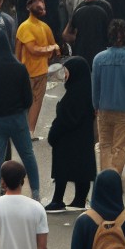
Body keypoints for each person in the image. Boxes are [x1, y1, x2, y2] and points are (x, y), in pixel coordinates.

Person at [0, 34, 42, 201]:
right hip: (18, 118)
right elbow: (28, 98)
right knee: (27, 155)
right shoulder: (20, 68)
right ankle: (35, 192)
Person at [90, 19, 125, 176]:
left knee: (105, 145)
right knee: (120, 147)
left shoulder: (99, 59)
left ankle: (105, 178)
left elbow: (95, 87)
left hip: (104, 108)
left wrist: (96, 106)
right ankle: (114, 177)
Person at [45, 56, 97, 213]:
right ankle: (79, 199)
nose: (65, 75)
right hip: (82, 140)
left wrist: (53, 134)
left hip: (67, 140)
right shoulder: (86, 91)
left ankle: (58, 200)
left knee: (62, 170)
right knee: (82, 169)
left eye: (66, 71)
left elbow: (65, 119)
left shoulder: (75, 94)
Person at [16, 0, 59, 136]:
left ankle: (22, 130)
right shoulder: (44, 27)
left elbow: (18, 51)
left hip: (25, 71)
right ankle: (30, 131)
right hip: (40, 71)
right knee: (36, 102)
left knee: (24, 102)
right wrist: (51, 49)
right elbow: (47, 48)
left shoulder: (23, 27)